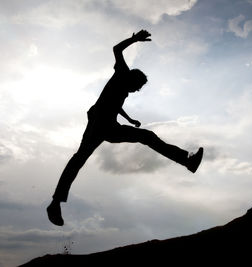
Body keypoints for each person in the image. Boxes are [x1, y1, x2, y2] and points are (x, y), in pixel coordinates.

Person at [47, 30, 203, 226]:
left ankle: (186, 161)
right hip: (97, 123)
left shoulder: (122, 89)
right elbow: (116, 49)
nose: (137, 91)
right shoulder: (122, 72)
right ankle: (55, 203)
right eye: (138, 86)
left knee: (146, 136)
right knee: (79, 158)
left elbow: (115, 104)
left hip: (111, 126)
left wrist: (130, 120)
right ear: (133, 78)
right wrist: (135, 39)